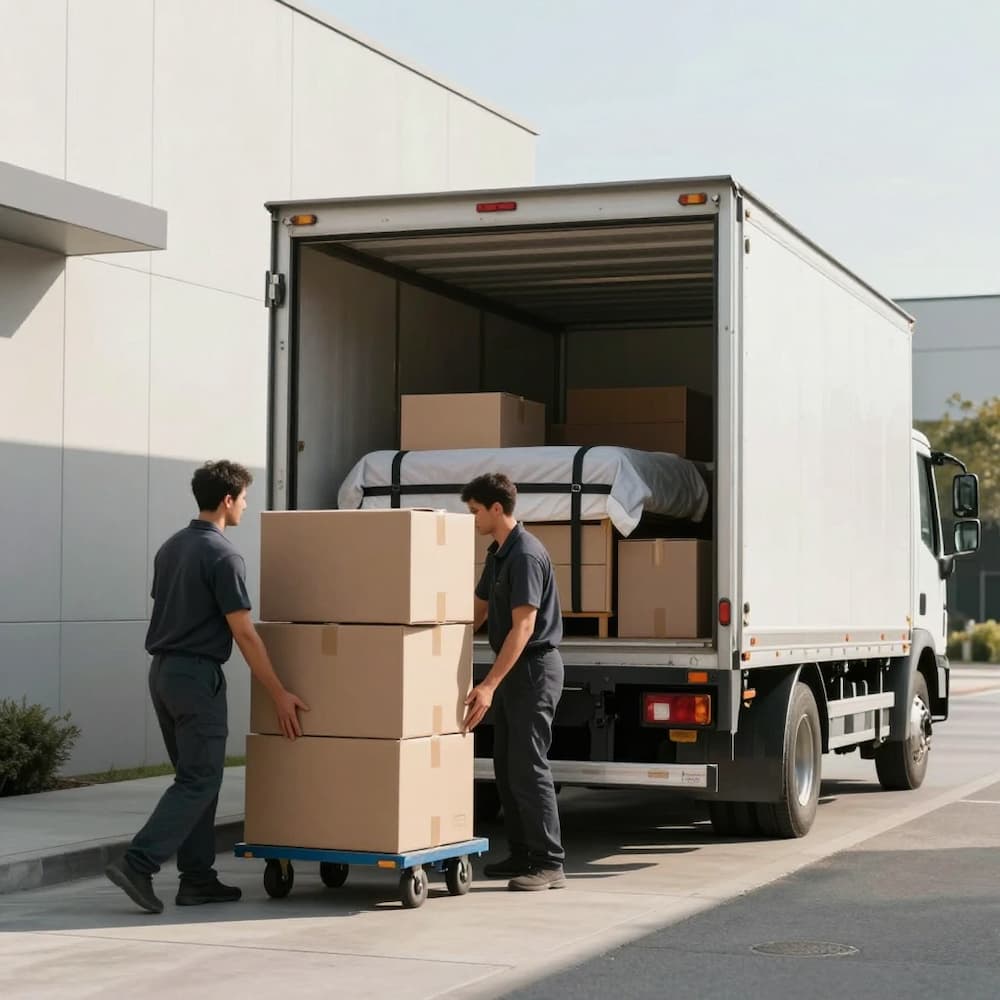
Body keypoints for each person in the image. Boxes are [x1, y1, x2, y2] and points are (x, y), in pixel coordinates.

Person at [105, 460, 308, 914]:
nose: (246, 507)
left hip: (163, 673)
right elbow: (244, 632)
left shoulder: (171, 548)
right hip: (196, 678)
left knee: (197, 778)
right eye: (245, 499)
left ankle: (197, 879)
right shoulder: (222, 555)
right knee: (201, 778)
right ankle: (138, 863)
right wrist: (279, 692)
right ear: (227, 500)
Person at [461, 473, 566, 891]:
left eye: (475, 512)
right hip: (513, 672)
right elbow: (479, 610)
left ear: (497, 509)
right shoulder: (499, 553)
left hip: (533, 670)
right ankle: (523, 853)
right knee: (506, 766)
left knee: (529, 766)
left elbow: (523, 629)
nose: (473, 520)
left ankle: (549, 862)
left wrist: (487, 684)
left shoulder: (525, 555)